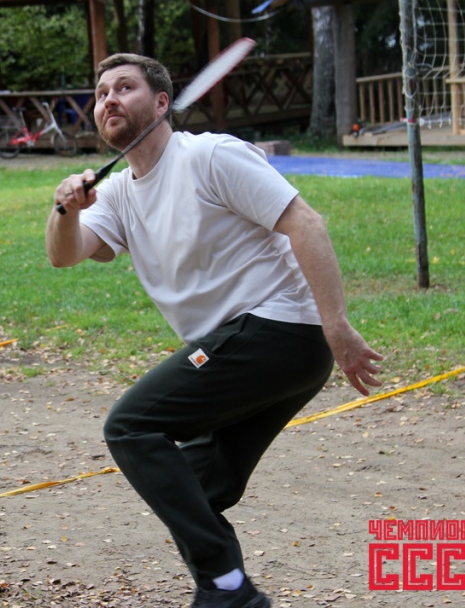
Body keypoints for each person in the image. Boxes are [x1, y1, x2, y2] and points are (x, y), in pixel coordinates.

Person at [45, 54, 384, 608]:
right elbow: (64, 256)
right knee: (192, 488)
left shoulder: (209, 156)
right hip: (255, 350)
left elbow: (306, 223)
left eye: (124, 87)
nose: (109, 100)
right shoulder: (119, 193)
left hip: (277, 329)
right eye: (101, 93)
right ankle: (226, 593)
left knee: (130, 427)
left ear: (161, 103)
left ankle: (229, 589)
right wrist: (64, 209)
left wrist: (337, 325)